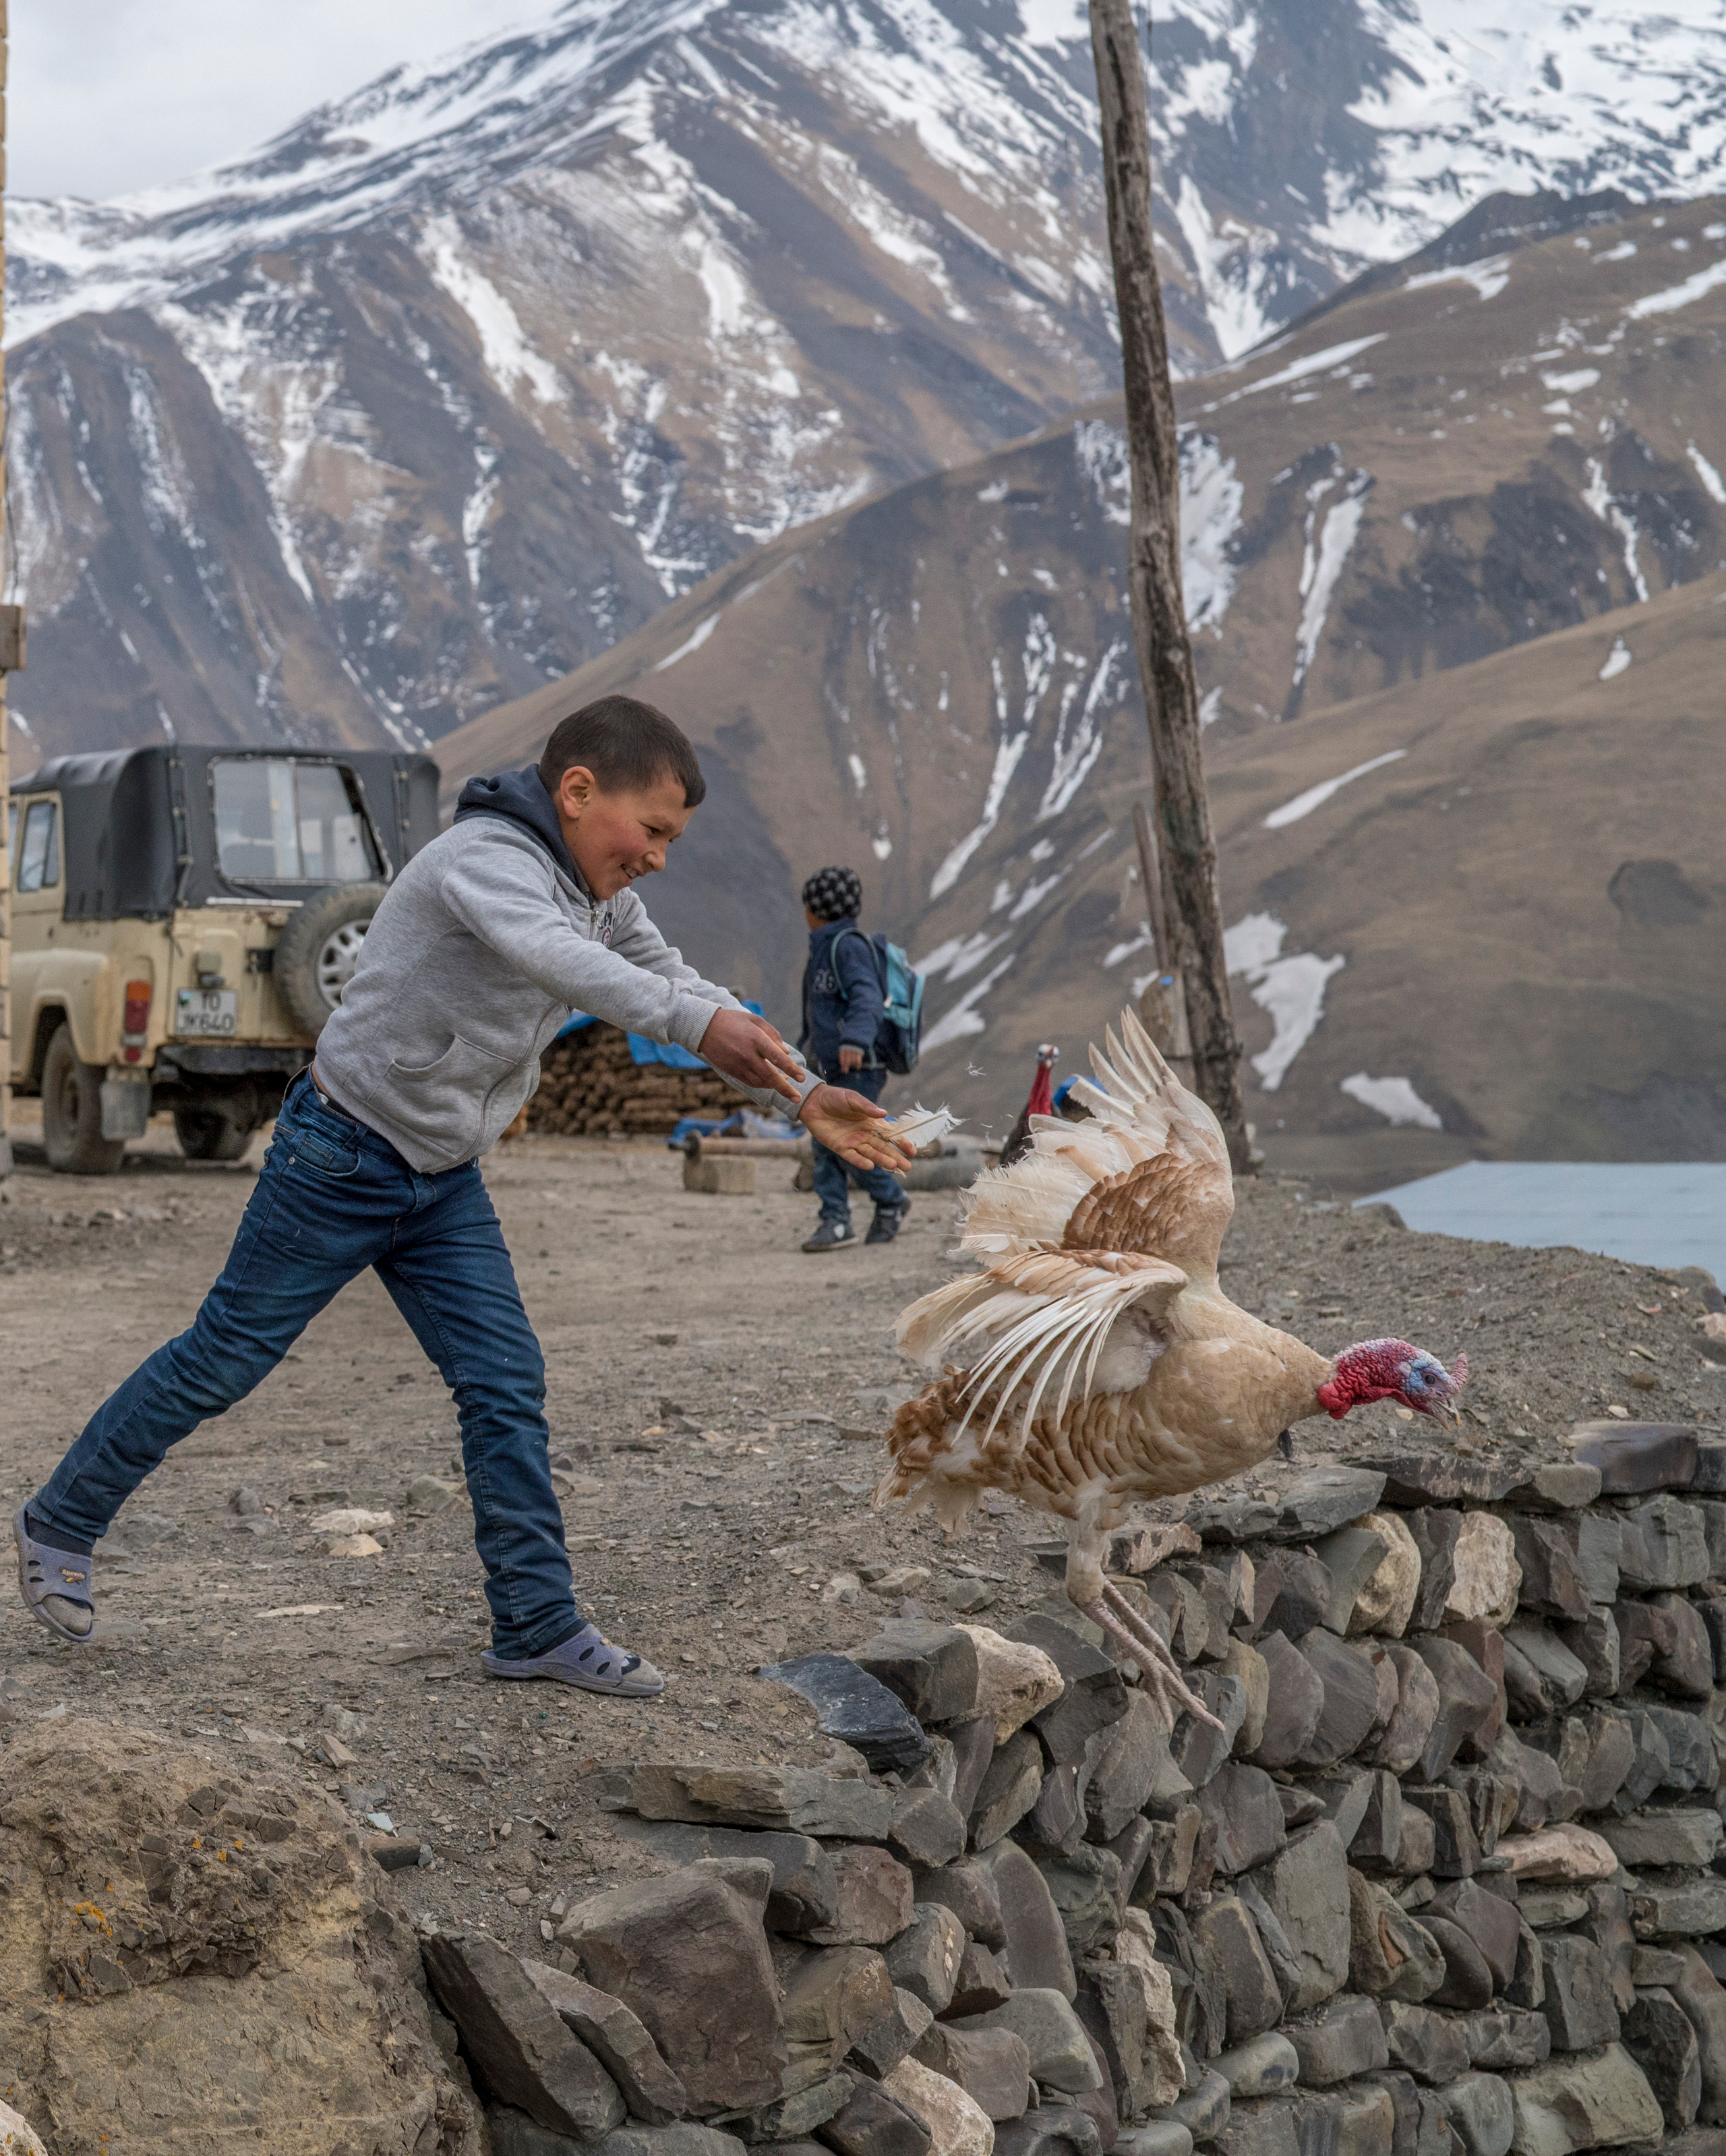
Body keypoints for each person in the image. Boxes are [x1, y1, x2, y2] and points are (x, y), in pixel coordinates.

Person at [13, 696, 908, 1698]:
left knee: (503, 1382)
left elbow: (658, 966)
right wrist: (699, 1028)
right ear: (577, 792)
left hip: (440, 1180)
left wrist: (798, 1087)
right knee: (223, 1358)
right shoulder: (487, 861)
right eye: (651, 831)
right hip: (339, 1157)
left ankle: (534, 1624)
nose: (658, 856)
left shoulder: (595, 884)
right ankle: (61, 1517)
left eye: (670, 839)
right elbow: (566, 963)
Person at [797, 866, 912, 1254]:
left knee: (849, 1141)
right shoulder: (823, 950)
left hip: (858, 1066)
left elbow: (867, 996)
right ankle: (837, 1220)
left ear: (816, 908)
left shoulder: (846, 947)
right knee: (825, 1143)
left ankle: (891, 1201)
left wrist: (855, 1040)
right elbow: (816, 1015)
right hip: (829, 1066)